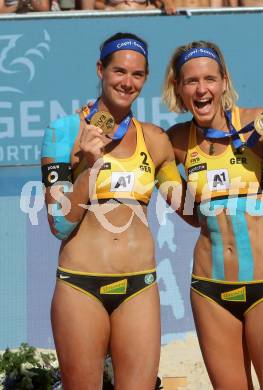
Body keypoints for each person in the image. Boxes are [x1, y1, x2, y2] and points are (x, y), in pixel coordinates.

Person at [162, 40, 263, 389]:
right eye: (191, 81)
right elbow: (189, 213)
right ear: (178, 89)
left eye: (210, 79)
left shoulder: (256, 124)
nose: (202, 89)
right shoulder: (175, 141)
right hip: (210, 291)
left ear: (225, 81)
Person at [41, 32, 185, 389]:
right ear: (100, 69)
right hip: (80, 287)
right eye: (119, 71)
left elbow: (190, 208)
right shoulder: (64, 132)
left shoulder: (155, 139)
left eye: (137, 75)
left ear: (146, 78)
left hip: (138, 287)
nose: (127, 82)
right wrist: (90, 166)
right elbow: (58, 223)